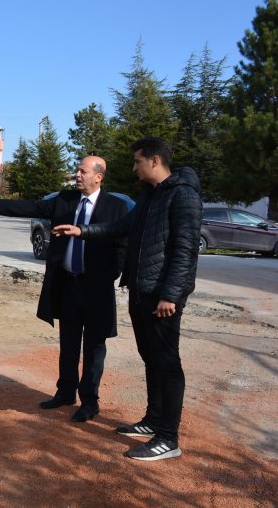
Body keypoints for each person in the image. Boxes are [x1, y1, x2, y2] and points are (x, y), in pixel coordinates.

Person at [53, 137, 202, 461]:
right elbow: (122, 227)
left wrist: (171, 295)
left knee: (167, 364)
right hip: (141, 290)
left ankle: (168, 437)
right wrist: (83, 232)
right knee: (150, 358)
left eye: (137, 161)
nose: (133, 168)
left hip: (162, 297)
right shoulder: (150, 195)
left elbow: (185, 250)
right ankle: (153, 419)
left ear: (154, 161)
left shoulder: (183, 196)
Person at [0, 156, 128, 422]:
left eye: (83, 171)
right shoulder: (66, 199)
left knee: (94, 347)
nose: (77, 174)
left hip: (97, 289)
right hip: (68, 284)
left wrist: (110, 273)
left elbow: (122, 245)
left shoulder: (115, 207)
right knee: (68, 343)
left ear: (99, 176)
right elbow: (33, 206)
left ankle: (90, 401)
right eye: (77, 170)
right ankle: (65, 392)